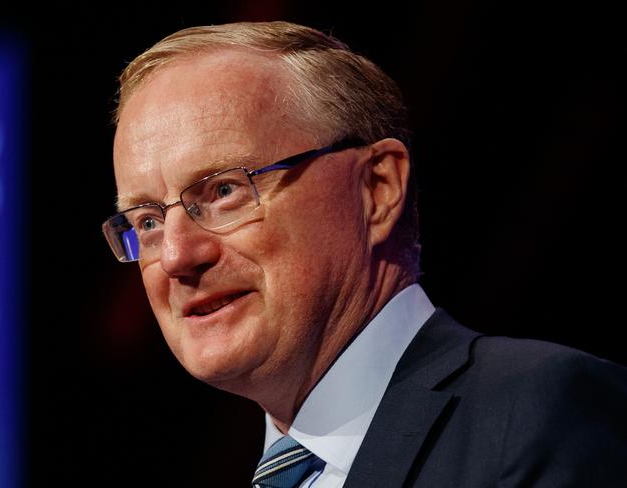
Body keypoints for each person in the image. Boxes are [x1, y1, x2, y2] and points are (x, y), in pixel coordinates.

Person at [102, 21, 627, 487]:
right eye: (147, 220)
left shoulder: (537, 412)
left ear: (377, 189)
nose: (175, 256)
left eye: (222, 192)